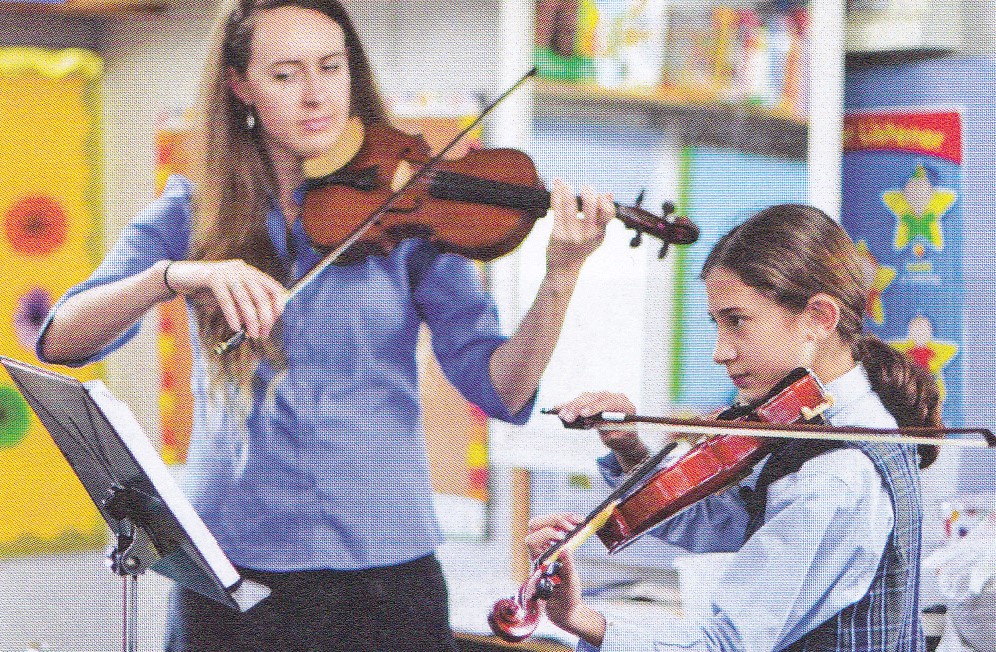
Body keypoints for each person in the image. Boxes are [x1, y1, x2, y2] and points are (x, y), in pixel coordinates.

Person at [35, 0, 615, 649]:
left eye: (331, 67)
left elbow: (502, 393)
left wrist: (561, 275)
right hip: (232, 573)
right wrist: (172, 276)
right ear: (240, 85)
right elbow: (61, 338)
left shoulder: (412, 217)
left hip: (386, 576)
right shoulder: (191, 210)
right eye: (285, 74)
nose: (316, 94)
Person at [527, 203, 942, 652]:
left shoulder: (834, 472)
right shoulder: (813, 427)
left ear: (818, 319)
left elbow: (725, 644)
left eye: (737, 322)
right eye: (715, 323)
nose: (719, 352)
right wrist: (630, 450)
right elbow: (722, 522)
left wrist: (579, 618)